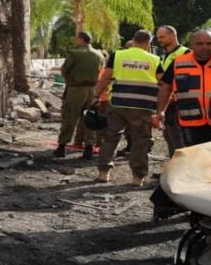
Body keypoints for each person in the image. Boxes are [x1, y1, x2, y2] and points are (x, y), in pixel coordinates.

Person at [93, 30, 161, 187]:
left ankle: (104, 173)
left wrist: (96, 95)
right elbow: (163, 82)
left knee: (111, 136)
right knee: (141, 140)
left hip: (118, 103)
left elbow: (106, 77)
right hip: (142, 106)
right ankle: (138, 177)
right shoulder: (154, 59)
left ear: (134, 40)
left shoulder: (117, 55)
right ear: (148, 42)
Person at [157, 29, 211, 146]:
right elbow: (166, 87)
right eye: (200, 44)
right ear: (191, 45)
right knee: (197, 158)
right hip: (190, 122)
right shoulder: (179, 62)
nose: (205, 47)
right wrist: (161, 111)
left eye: (209, 43)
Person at [54, 31, 105, 159]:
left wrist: (69, 81)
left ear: (81, 39)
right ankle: (88, 148)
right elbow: (101, 71)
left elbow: (64, 69)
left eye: (76, 38)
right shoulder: (99, 55)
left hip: (76, 89)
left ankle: (62, 147)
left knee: (69, 117)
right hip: (93, 89)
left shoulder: (75, 53)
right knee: (90, 119)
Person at [155, 25, 190, 155]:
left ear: (173, 35)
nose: (159, 40)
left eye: (162, 37)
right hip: (167, 103)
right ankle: (172, 167)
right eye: (158, 37)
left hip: (178, 103)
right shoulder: (165, 55)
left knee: (179, 139)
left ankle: (181, 170)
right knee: (169, 137)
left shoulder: (186, 53)